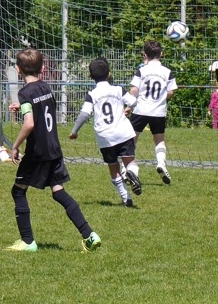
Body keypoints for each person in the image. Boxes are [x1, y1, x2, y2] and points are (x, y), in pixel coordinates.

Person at [6, 48, 101, 253]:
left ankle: (28, 242)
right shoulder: (46, 87)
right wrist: (22, 106)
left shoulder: (25, 93)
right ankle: (89, 235)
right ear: (42, 68)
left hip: (37, 153)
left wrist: (15, 146)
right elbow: (42, 108)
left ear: (18, 69)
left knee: (18, 190)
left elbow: (29, 123)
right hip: (54, 149)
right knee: (58, 192)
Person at [69, 57, 142, 207]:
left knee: (113, 168)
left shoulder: (92, 94)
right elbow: (133, 102)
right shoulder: (118, 89)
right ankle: (131, 172)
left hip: (105, 137)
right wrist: (128, 108)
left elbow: (85, 114)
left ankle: (126, 199)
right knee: (130, 162)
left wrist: (74, 131)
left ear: (91, 76)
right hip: (123, 132)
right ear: (109, 74)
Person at [128, 40, 177, 184]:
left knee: (131, 139)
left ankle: (128, 169)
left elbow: (134, 89)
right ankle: (161, 164)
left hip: (141, 110)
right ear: (161, 54)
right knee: (159, 140)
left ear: (145, 54)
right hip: (158, 112)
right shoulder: (167, 72)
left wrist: (129, 105)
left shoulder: (142, 70)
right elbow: (171, 92)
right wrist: (161, 96)